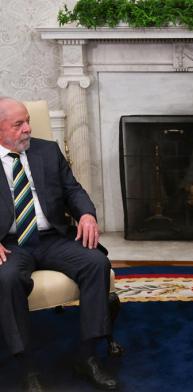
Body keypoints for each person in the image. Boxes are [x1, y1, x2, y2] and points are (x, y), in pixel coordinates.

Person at [0, 97, 118, 391]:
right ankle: (27, 368)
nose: (28, 128)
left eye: (28, 121)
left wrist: (87, 214)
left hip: (52, 237)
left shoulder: (47, 150)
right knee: (8, 277)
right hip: (10, 244)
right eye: (19, 124)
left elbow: (73, 190)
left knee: (96, 263)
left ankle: (88, 356)